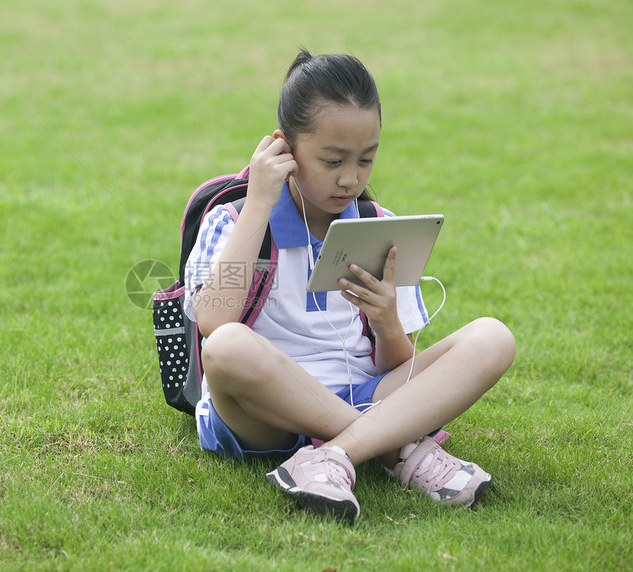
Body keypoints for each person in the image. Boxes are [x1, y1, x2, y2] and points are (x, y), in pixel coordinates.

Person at [183, 49, 516, 523]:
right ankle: (396, 450)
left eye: (366, 159)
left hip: (368, 391)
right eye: (333, 159)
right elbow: (213, 323)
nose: (351, 179)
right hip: (266, 414)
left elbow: (399, 365)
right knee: (228, 347)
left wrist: (386, 323)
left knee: (493, 337)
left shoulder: (379, 226)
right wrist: (259, 201)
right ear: (285, 148)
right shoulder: (234, 218)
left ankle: (333, 456)